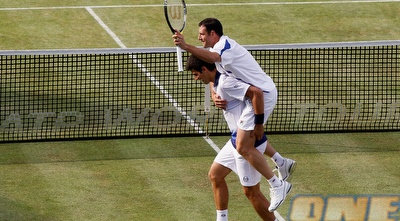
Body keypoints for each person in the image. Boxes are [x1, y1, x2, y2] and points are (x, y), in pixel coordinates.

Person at [173, 18, 295, 212]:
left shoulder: (224, 48)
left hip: (263, 95)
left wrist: (186, 46)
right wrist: (214, 92)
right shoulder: (219, 53)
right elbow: (213, 70)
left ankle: (278, 184)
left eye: (202, 34)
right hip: (256, 96)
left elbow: (212, 60)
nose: (200, 38)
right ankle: (281, 162)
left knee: (243, 146)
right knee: (225, 164)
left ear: (213, 34)